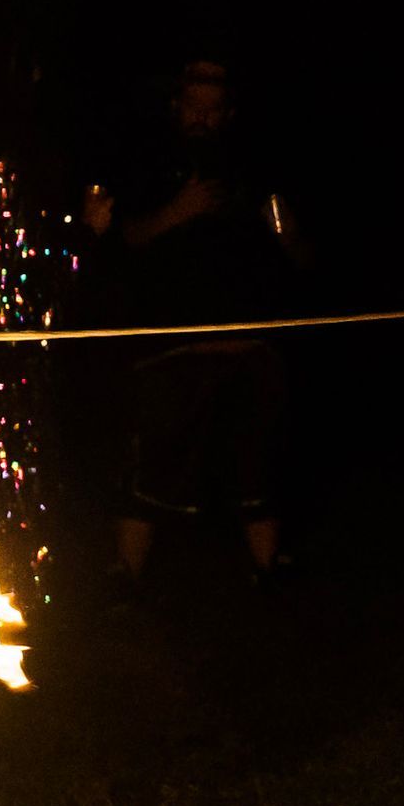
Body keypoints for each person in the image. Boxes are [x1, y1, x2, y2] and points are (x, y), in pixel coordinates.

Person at [72, 58, 308, 596]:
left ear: (227, 113)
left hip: (248, 341)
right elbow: (116, 242)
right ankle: (125, 576)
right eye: (193, 107)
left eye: (213, 108)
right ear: (177, 107)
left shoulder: (250, 170)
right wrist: (176, 211)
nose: (202, 118)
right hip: (168, 343)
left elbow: (295, 254)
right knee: (153, 459)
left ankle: (270, 570)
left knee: (258, 458)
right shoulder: (144, 163)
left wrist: (289, 238)